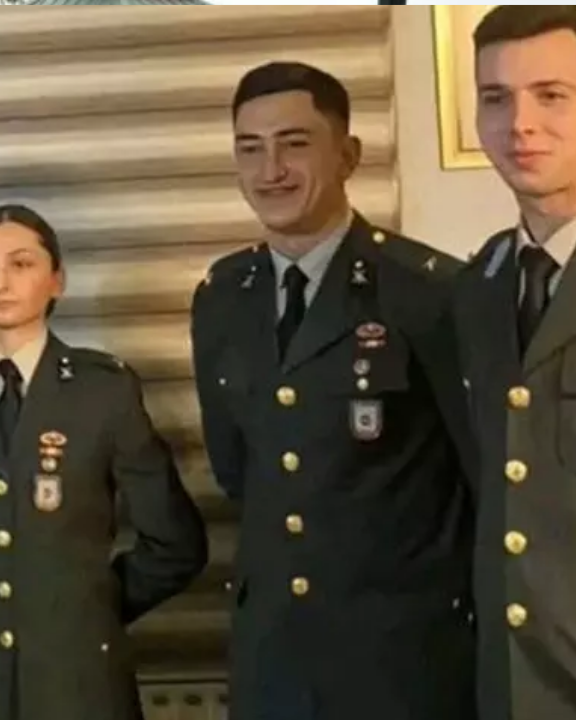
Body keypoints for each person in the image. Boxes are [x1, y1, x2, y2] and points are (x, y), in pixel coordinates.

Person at [189, 63, 477, 720]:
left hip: (402, 663)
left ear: (348, 155)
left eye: (294, 143)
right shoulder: (222, 298)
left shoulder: (428, 292)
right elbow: (240, 471)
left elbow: (480, 478)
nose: (271, 171)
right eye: (249, 148)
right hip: (274, 662)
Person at [0, 204, 207, 720]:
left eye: (21, 264)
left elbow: (175, 545)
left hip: (79, 683)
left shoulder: (103, 392)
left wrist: (87, 606)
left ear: (57, 280)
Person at [457, 6, 576, 720]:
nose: (520, 124)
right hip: (509, 686)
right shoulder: (478, 285)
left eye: (550, 95)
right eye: (496, 99)